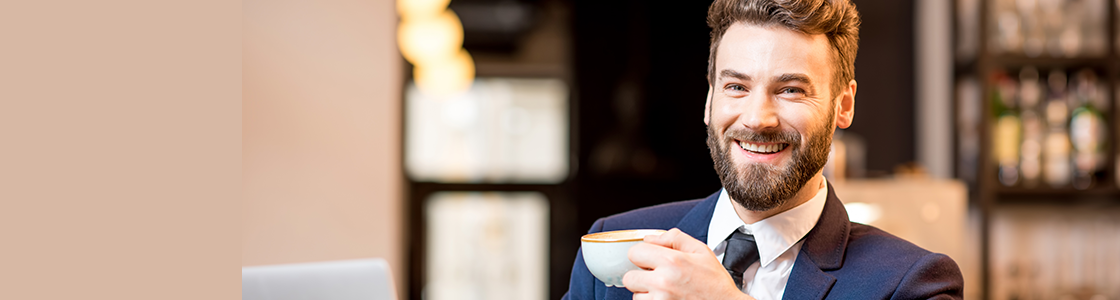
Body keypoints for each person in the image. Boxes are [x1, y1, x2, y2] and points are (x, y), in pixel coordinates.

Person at [561, 0, 965, 299]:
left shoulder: (913, 283)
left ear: (844, 105)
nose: (757, 119)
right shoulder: (611, 248)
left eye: (791, 90)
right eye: (736, 87)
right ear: (710, 99)